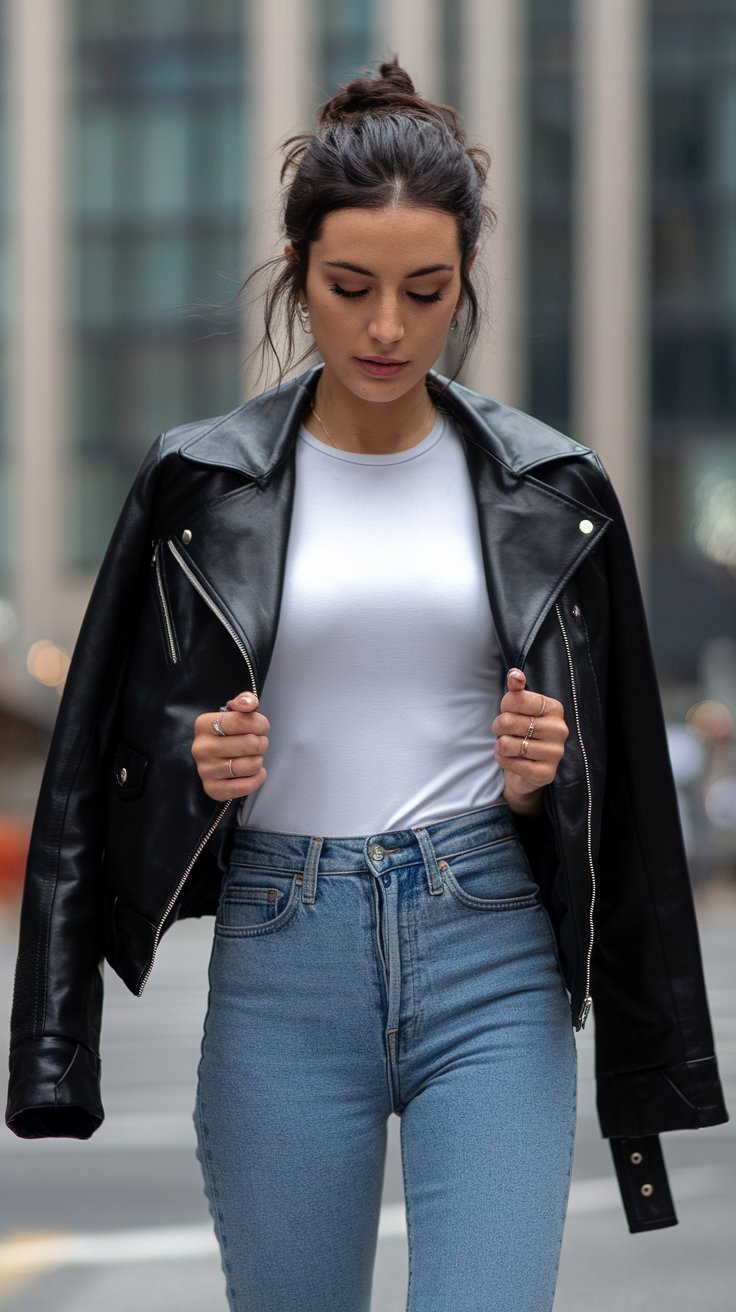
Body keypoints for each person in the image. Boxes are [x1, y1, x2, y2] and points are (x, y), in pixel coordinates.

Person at [5, 58, 728, 1312]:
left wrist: (537, 780)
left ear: (463, 287)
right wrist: (195, 770)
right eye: (350, 289)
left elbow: (630, 797)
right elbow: (82, 772)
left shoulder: (554, 486)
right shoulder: (195, 484)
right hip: (285, 958)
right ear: (299, 276)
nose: (386, 327)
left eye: (425, 291)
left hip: (490, 944)